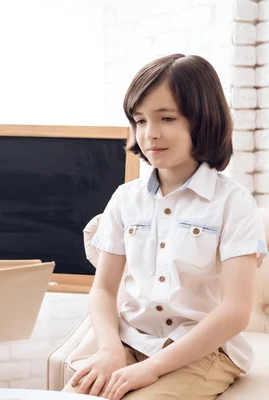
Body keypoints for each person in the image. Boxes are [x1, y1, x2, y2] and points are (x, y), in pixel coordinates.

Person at [63, 54, 267, 400]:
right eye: (140, 120)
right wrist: (110, 352)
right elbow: (104, 290)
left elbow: (235, 312)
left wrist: (148, 369)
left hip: (203, 351)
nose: (149, 134)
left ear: (203, 121)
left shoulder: (233, 203)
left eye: (166, 118)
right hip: (131, 341)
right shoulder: (126, 199)